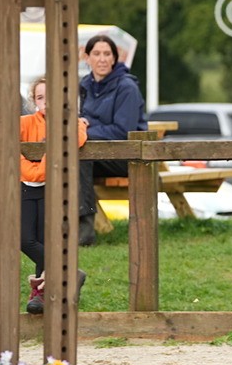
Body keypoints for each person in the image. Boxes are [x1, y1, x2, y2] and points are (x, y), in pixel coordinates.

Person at [21, 77, 89, 314]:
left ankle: (40, 294)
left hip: (53, 187)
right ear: (34, 102)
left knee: (44, 237)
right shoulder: (26, 122)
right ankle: (68, 272)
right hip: (27, 186)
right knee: (25, 239)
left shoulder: (71, 122)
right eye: (41, 97)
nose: (47, 102)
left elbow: (78, 137)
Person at [78, 33, 148, 245]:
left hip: (127, 155)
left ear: (115, 58)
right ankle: (54, 226)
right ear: (87, 57)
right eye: (97, 54)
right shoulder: (83, 86)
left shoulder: (127, 87)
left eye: (107, 54)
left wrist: (85, 130)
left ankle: (85, 230)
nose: (102, 59)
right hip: (94, 154)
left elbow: (122, 131)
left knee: (78, 156)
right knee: (60, 158)